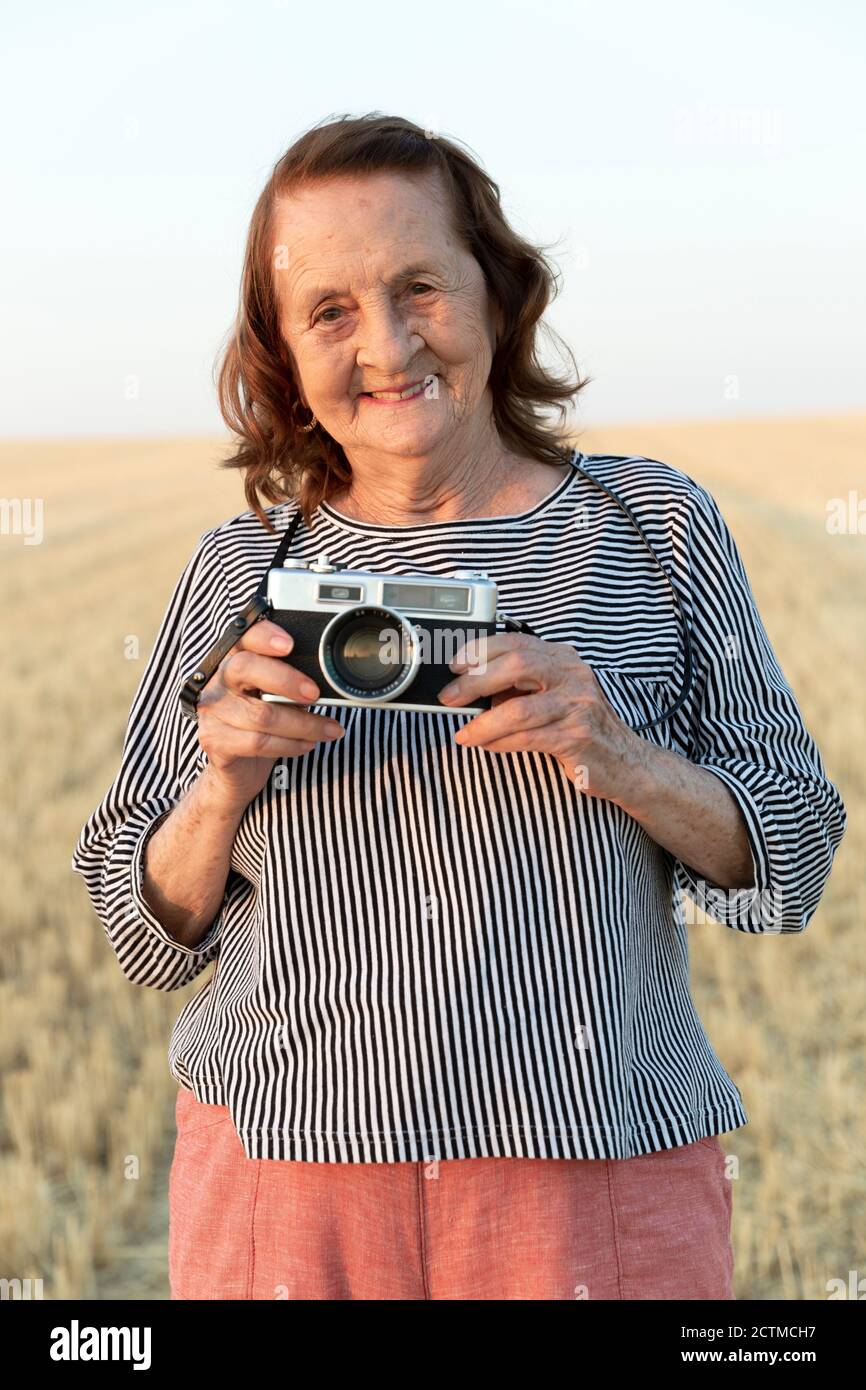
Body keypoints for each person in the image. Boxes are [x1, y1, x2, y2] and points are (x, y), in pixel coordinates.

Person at [71, 113, 847, 1301]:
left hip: (593, 1171)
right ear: (284, 350)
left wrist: (621, 757)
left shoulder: (654, 527)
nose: (386, 344)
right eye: (329, 309)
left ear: (496, 293)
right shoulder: (240, 570)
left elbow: (790, 851)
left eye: (420, 286)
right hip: (288, 1183)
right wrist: (217, 788)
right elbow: (140, 925)